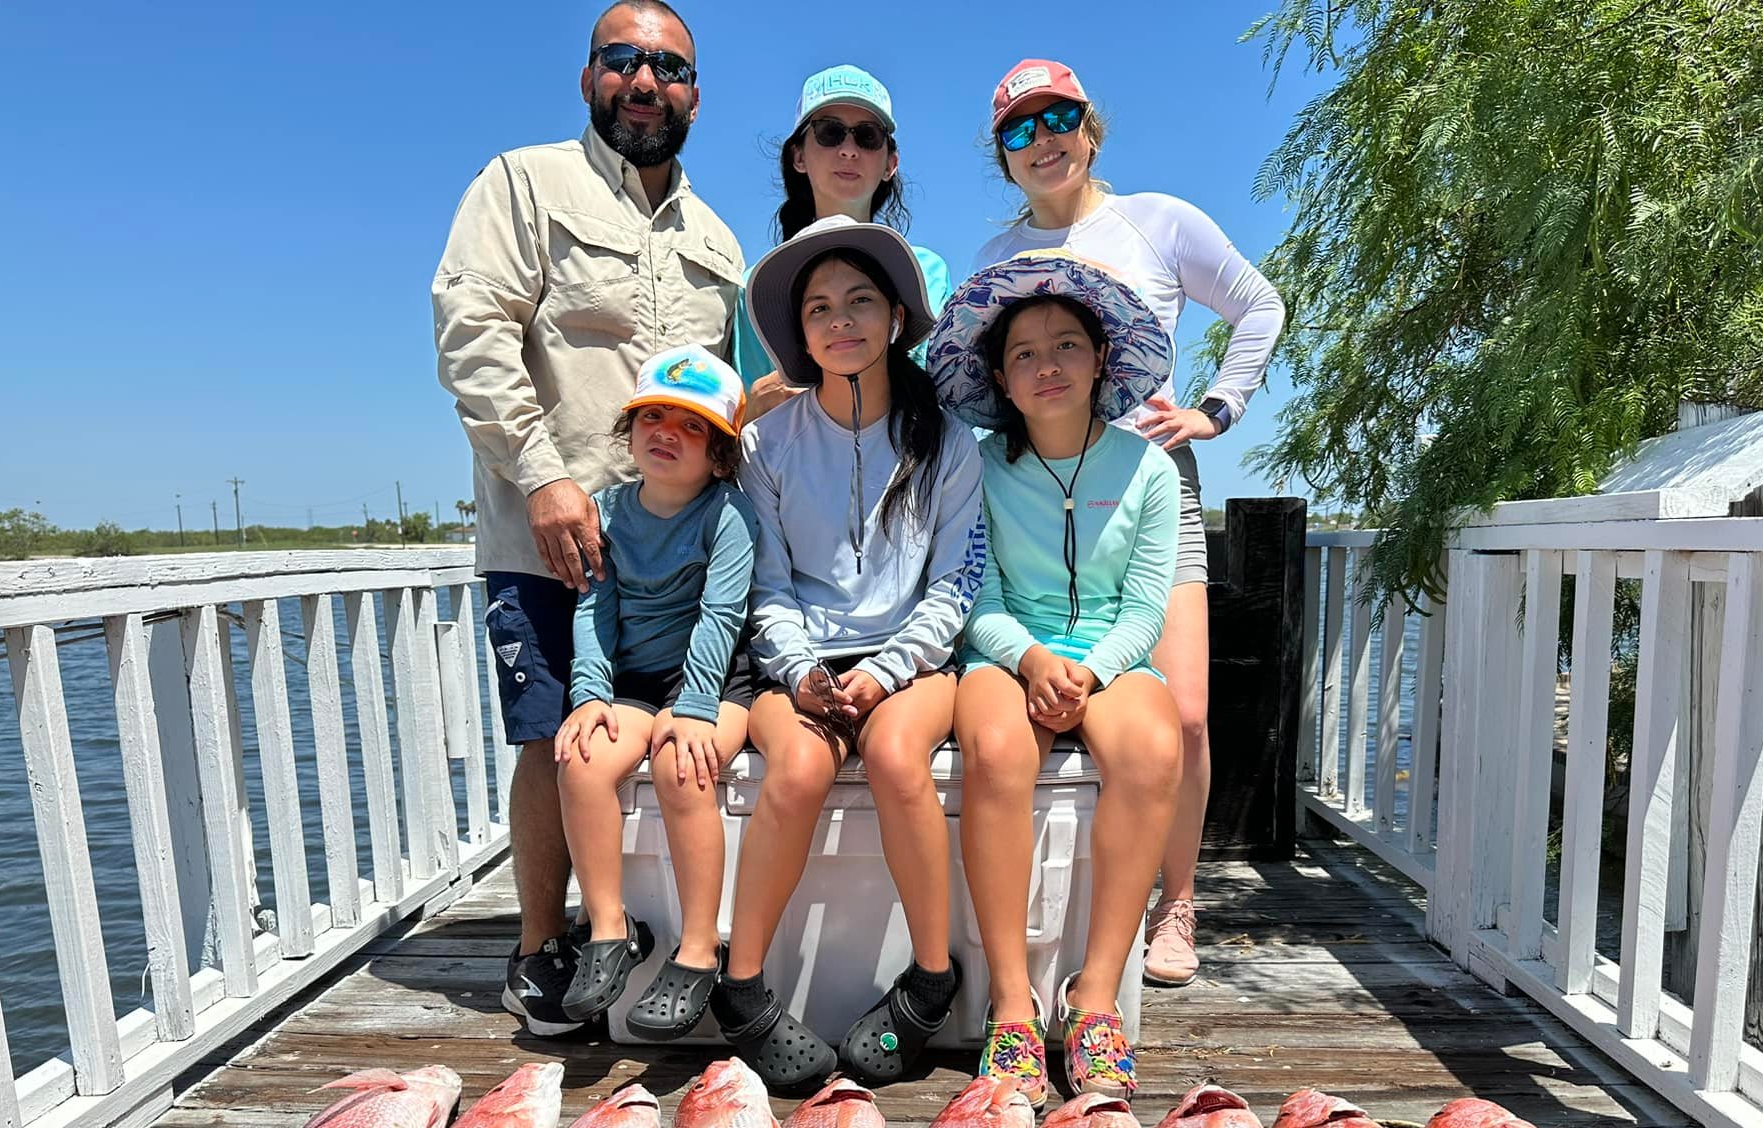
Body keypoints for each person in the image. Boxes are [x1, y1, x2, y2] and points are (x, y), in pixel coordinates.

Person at [431, 0, 743, 1031]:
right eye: (622, 60)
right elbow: (472, 334)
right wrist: (543, 477)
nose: (645, 82)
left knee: (672, 733)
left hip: (675, 552)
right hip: (548, 535)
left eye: (669, 67)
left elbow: (730, 399)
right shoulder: (522, 183)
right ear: (588, 77)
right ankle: (539, 945)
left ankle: (654, 927)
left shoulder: (718, 240)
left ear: (694, 94)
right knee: (550, 737)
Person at [975, 58, 1286, 988]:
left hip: (1151, 484)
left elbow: (1259, 304)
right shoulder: (998, 255)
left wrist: (1217, 410)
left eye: (1059, 118)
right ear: (1002, 155)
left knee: (1184, 713)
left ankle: (1176, 900)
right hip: (1036, 492)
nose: (1043, 141)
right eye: (1019, 130)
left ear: (1091, 127)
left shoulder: (1160, 219)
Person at [715, 215, 987, 1091]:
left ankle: (931, 979)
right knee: (797, 769)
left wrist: (884, 671)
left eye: (861, 301)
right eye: (820, 308)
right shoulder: (765, 443)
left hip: (912, 661)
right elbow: (767, 585)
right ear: (799, 334)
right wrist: (801, 671)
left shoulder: (946, 438)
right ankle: (742, 988)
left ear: (897, 316)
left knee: (900, 756)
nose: (841, 321)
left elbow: (955, 582)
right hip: (796, 662)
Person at [926, 251, 1183, 1105]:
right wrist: (1032, 660)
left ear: (1101, 359)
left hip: (1112, 654)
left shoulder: (1147, 468)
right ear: (999, 377)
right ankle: (1010, 1001)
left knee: (1154, 748)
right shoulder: (976, 465)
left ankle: (1095, 997)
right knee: (998, 750)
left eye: (1067, 345)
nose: (1048, 366)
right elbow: (976, 600)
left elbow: (1144, 609)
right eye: (1025, 353)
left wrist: (1090, 669)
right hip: (1006, 651)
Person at [551, 346, 756, 1039]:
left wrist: (695, 707)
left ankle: (699, 947)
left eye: (692, 426)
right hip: (635, 681)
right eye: (653, 417)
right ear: (630, 431)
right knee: (582, 763)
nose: (667, 433)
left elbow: (721, 615)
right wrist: (589, 696)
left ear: (720, 455)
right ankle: (609, 929)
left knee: (682, 767)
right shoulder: (606, 511)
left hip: (716, 680)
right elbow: (592, 609)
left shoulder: (727, 513)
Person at [734, 66, 952, 424]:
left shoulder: (929, 273)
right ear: (798, 156)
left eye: (867, 136)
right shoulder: (755, 287)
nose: (849, 150)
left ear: (891, 163)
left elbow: (946, 401)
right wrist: (752, 410)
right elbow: (746, 418)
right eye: (830, 133)